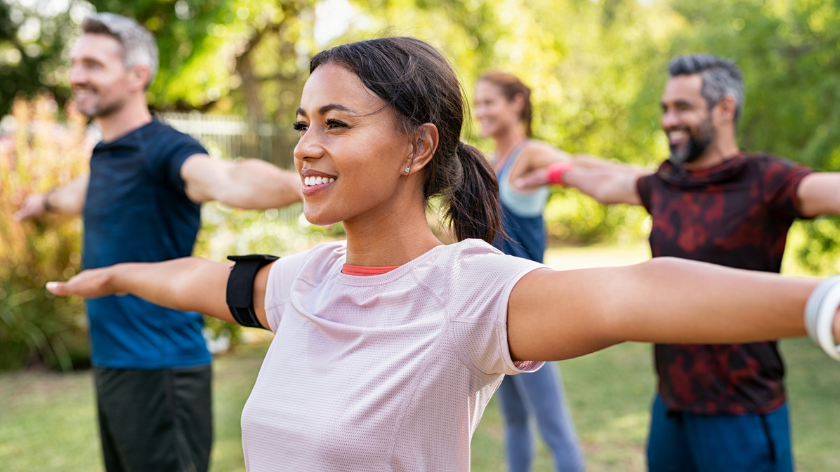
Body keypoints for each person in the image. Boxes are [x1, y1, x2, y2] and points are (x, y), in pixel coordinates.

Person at [45, 38, 839, 472]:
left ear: (418, 145)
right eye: (301, 124)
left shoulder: (466, 291)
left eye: (337, 124)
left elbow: (634, 293)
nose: (306, 148)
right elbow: (202, 280)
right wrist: (119, 275)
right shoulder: (306, 281)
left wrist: (819, 304)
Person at [516, 54, 840, 472]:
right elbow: (605, 182)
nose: (669, 120)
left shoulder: (767, 182)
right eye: (666, 109)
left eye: (683, 108)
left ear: (724, 108)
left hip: (741, 413)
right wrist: (554, 173)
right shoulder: (665, 183)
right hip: (671, 409)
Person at [15, 13, 302, 472]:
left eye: (92, 64)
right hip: (115, 366)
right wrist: (39, 203)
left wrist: (308, 185)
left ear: (137, 76)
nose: (76, 76)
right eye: (75, 63)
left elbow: (227, 179)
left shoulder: (164, 150)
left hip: (161, 369)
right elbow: (80, 193)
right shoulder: (109, 155)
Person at [474, 71, 584, 472]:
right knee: (516, 421)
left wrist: (552, 175)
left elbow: (576, 169)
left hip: (531, 307)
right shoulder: (487, 163)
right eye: (478, 103)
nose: (481, 111)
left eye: (489, 102)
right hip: (493, 310)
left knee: (553, 426)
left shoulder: (531, 154)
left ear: (516, 102)